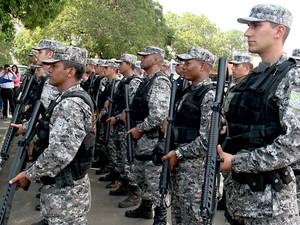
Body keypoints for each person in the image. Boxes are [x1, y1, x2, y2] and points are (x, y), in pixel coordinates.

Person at [218, 4, 300, 224]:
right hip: (239, 201)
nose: (247, 32)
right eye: (248, 26)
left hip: (270, 208)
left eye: (255, 25)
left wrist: (236, 162)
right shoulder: (253, 77)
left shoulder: (294, 79)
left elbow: (294, 145)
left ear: (278, 31)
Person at [10, 46, 94, 225]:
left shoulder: (70, 105)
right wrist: (26, 127)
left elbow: (59, 153)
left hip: (66, 196)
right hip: (63, 194)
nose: (49, 70)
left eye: (55, 66)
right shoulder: (63, 99)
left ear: (70, 71)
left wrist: (29, 174)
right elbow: (50, 125)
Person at [162, 47, 216, 224]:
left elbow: (207, 140)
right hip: (179, 168)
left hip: (196, 173)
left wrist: (179, 153)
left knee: (194, 219)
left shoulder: (209, 96)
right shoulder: (187, 92)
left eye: (188, 63)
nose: (183, 67)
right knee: (178, 217)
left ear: (202, 66)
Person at [124, 46, 171, 225]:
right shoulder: (147, 80)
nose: (141, 59)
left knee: (154, 181)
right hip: (143, 140)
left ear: (156, 60)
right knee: (142, 177)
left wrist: (140, 129)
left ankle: (160, 218)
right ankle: (145, 208)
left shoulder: (160, 81)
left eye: (145, 56)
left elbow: (158, 115)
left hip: (151, 140)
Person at [107, 53, 143, 208]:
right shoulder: (123, 82)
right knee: (121, 158)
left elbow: (129, 108)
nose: (119, 66)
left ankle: (135, 193)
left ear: (129, 64)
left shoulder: (134, 82)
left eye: (121, 63)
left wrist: (117, 116)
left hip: (126, 125)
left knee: (128, 160)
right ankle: (125, 183)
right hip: (119, 125)